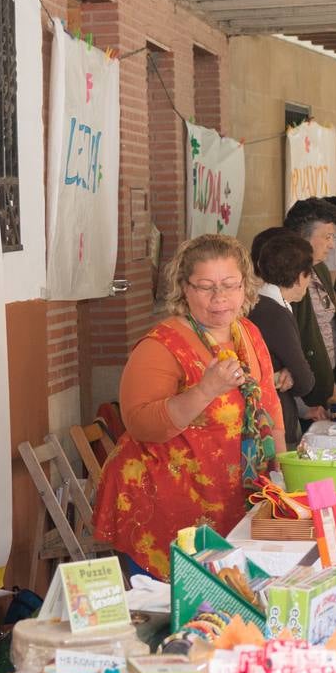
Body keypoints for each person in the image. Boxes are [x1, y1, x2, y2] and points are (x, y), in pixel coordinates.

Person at [93, 234, 283, 579]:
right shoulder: (162, 344)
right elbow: (141, 424)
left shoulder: (248, 333)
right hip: (164, 504)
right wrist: (206, 390)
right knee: (175, 613)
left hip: (230, 498)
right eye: (205, 286)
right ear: (184, 289)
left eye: (229, 284)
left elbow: (269, 406)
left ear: (245, 286)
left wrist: (282, 474)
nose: (220, 298)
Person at [248, 230, 317, 445]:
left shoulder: (264, 304)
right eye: (309, 275)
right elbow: (305, 382)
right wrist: (291, 374)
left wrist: (289, 372)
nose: (310, 281)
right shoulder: (274, 312)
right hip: (274, 421)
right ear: (299, 277)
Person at [283, 197, 336, 405]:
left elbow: (331, 327)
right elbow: (297, 341)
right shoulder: (288, 278)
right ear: (302, 238)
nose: (332, 245)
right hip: (308, 391)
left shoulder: (320, 268)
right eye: (327, 237)